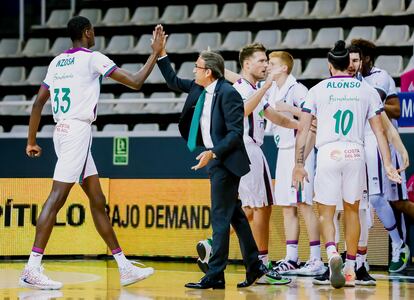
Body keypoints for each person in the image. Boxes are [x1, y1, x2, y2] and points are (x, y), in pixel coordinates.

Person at [20, 16, 166, 290]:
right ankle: (32, 267)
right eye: (94, 31)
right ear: (87, 33)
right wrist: (155, 54)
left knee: (97, 200)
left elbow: (39, 102)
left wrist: (31, 140)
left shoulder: (56, 62)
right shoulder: (92, 58)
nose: (94, 34)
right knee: (56, 197)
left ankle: (124, 266)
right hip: (76, 132)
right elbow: (135, 82)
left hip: (62, 131)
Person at [157, 45, 285, 288]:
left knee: (219, 218)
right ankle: (255, 267)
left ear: (209, 72)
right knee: (236, 215)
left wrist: (213, 153)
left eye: (197, 67)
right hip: (215, 158)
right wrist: (160, 53)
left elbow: (236, 134)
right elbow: (173, 81)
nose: (194, 70)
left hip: (226, 159)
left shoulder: (229, 93)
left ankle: (215, 274)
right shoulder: (200, 88)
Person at [292, 40, 401, 288]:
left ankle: (331, 254)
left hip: (329, 151)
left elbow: (303, 130)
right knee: (353, 212)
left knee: (327, 213)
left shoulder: (317, 89)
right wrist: (387, 164)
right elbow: (380, 132)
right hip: (355, 153)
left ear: (331, 66)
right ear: (350, 65)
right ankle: (351, 267)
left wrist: (299, 164)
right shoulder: (367, 90)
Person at [351, 38, 411, 273]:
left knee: (397, 200)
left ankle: (400, 245)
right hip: (362, 142)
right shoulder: (351, 78)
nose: (352, 63)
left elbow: (388, 107)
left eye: (356, 59)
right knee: (368, 199)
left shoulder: (380, 76)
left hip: (383, 141)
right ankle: (362, 256)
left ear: (366, 58)